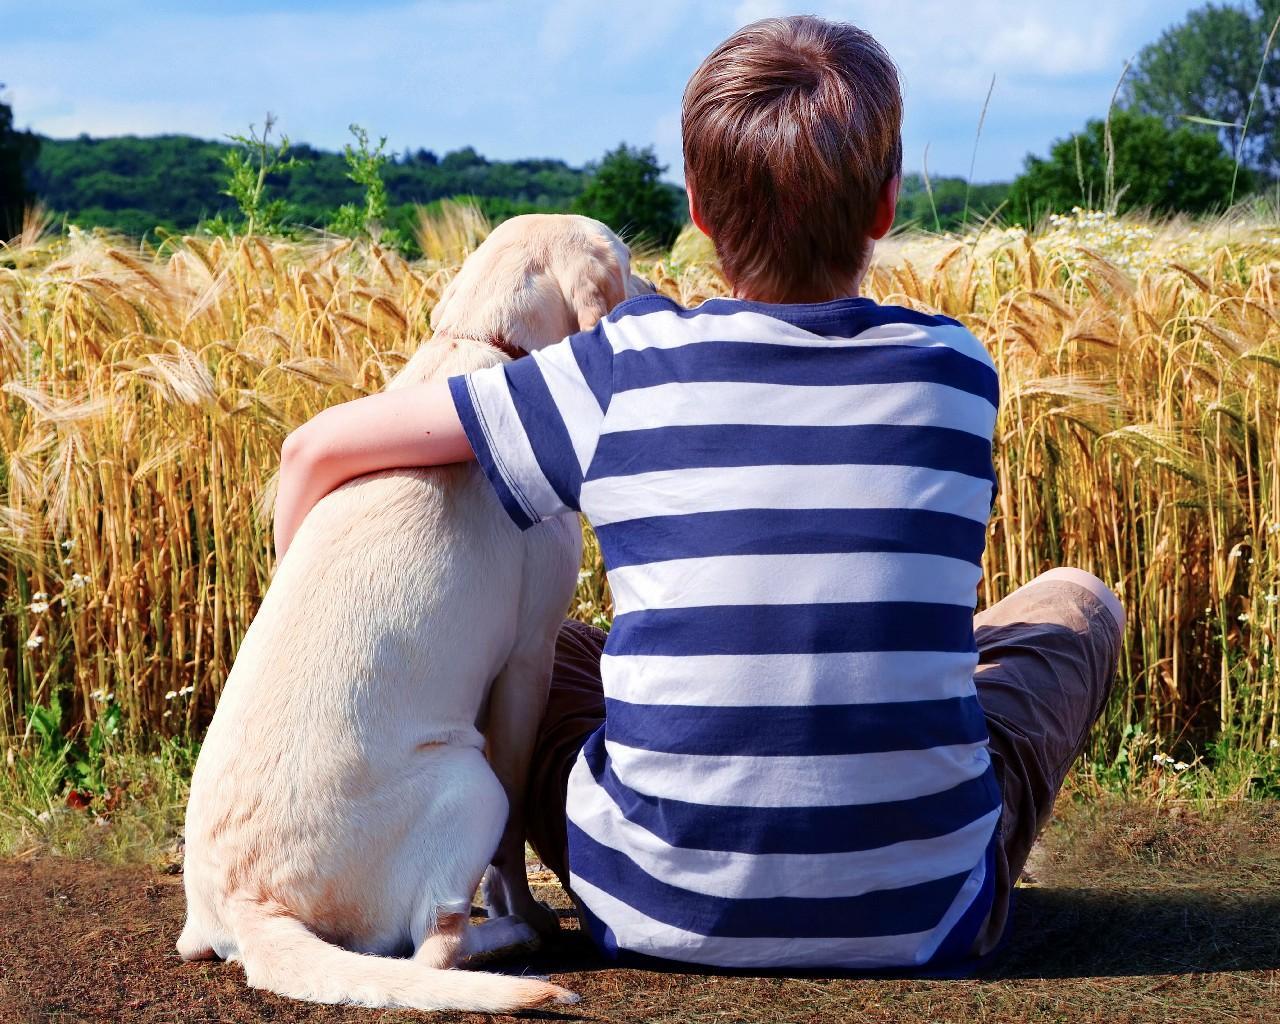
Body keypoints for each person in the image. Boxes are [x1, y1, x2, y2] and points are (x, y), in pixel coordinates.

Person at [272, 15, 1124, 972]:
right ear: (885, 206)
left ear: (699, 210)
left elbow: (315, 452)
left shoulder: (623, 367)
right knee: (1076, 603)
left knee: (540, 645)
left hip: (647, 902)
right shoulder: (957, 368)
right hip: (928, 912)